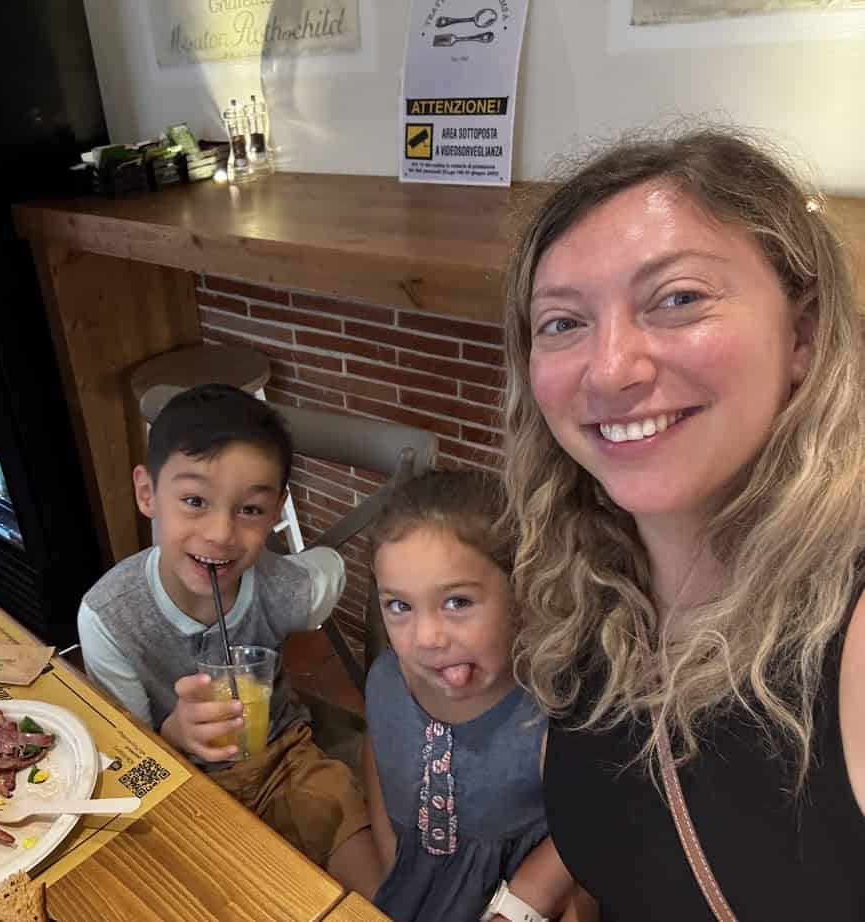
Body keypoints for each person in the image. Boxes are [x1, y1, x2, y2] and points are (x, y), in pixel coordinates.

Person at [501, 129, 865, 919]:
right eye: (563, 322)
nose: (610, 368)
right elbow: (642, 817)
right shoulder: (586, 585)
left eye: (678, 299)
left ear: (801, 335)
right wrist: (524, 899)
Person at [77, 383, 381, 896]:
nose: (220, 533)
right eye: (195, 500)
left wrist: (325, 567)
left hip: (286, 760)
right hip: (178, 782)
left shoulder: (281, 586)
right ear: (148, 493)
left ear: (277, 509)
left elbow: (328, 572)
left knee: (356, 847)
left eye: (250, 510)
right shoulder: (110, 617)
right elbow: (129, 759)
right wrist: (173, 733)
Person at [362, 469, 575, 922]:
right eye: (399, 606)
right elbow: (376, 755)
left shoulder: (549, 712)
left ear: (520, 592)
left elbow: (586, 827)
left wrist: (521, 908)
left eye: (457, 602)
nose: (426, 637)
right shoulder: (385, 681)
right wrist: (389, 862)